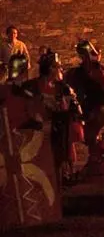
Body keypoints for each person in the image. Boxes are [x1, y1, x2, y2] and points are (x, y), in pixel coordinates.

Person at [65, 40, 104, 175]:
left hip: (99, 109)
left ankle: (103, 163)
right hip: (86, 109)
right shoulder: (77, 73)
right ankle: (95, 164)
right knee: (88, 139)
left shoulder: (98, 70)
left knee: (92, 138)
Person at [29, 49, 84, 184]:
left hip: (60, 126)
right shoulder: (34, 86)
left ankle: (66, 174)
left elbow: (75, 108)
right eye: (56, 66)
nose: (59, 69)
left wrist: (74, 114)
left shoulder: (63, 87)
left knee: (63, 154)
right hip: (39, 128)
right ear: (49, 68)